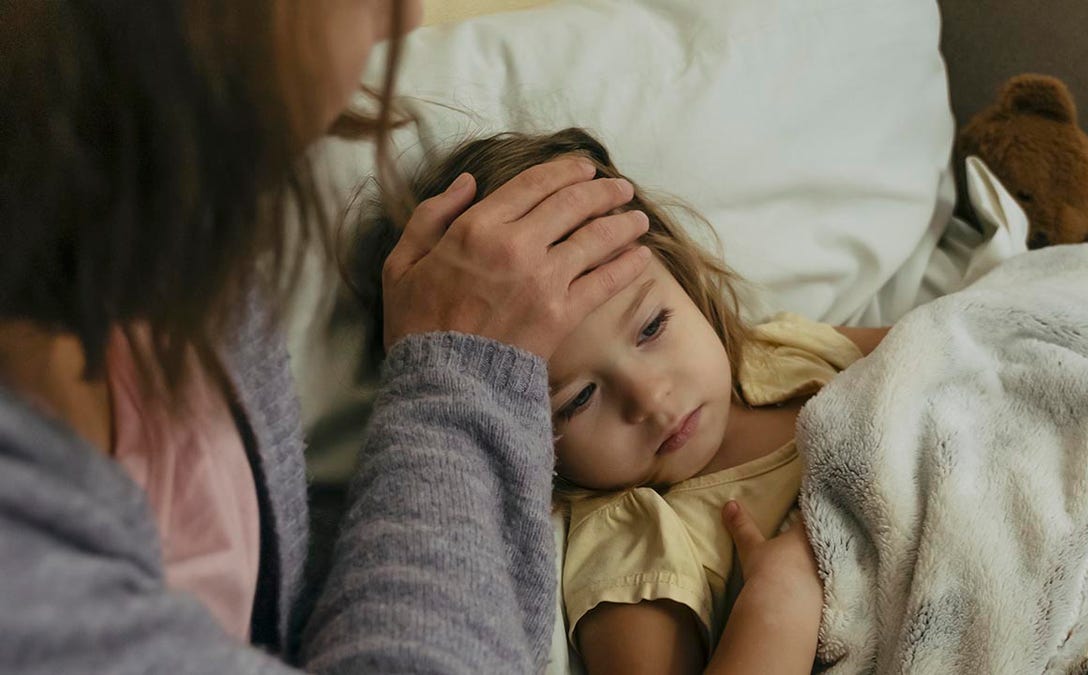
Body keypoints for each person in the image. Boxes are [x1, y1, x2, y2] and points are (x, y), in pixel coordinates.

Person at [0, 2, 654, 672]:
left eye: (655, 325)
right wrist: (465, 376)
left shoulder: (177, 214)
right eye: (575, 399)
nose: (404, 19)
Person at [350, 128, 892, 674]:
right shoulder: (634, 541)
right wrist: (777, 602)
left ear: (681, 272)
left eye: (652, 326)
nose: (649, 398)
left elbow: (950, 351)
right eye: (579, 399)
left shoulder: (781, 353)